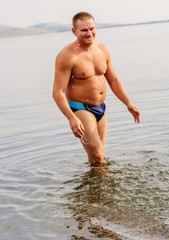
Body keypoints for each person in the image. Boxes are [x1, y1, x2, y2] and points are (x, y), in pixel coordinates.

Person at [53, 12, 140, 166]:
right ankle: (95, 187)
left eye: (92, 29)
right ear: (74, 31)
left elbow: (113, 80)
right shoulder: (67, 56)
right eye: (84, 30)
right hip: (80, 108)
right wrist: (71, 118)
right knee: (98, 156)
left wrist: (128, 103)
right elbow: (57, 92)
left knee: (98, 157)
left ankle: (95, 187)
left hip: (100, 107)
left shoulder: (102, 50)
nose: (89, 33)